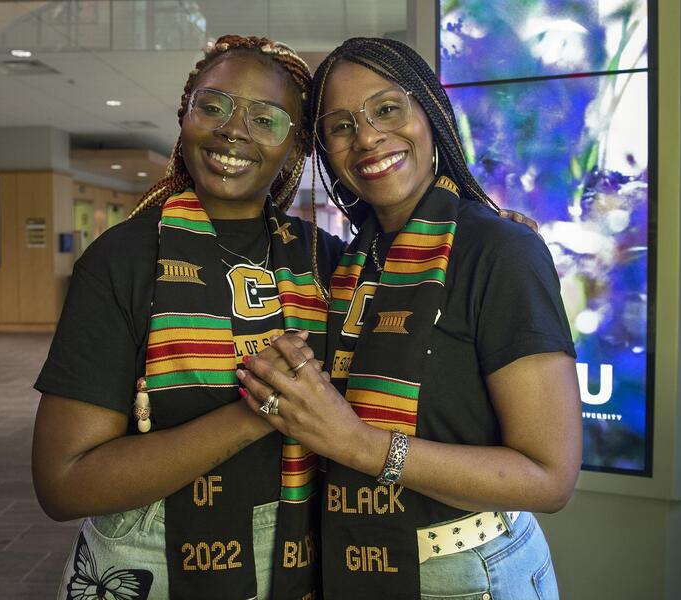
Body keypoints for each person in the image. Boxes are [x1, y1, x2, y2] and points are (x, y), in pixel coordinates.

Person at [237, 37, 582, 600]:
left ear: (432, 112)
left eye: (388, 109)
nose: (368, 137)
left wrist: (360, 445)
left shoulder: (498, 249)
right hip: (354, 565)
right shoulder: (346, 262)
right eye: (341, 125)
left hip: (468, 572)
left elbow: (550, 477)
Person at [31, 35, 346, 600]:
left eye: (266, 118)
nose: (234, 130)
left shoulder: (324, 257)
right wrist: (262, 410)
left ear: (294, 144)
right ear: (186, 116)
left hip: (300, 549)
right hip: (148, 552)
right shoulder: (124, 259)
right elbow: (64, 483)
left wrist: (483, 231)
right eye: (214, 106)